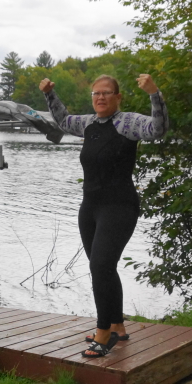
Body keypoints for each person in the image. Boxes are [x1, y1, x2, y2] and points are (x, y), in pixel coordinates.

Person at [39, 73, 167, 358]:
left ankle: (103, 333)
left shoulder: (128, 123)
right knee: (103, 268)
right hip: (90, 208)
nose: (100, 97)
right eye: (96, 93)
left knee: (100, 267)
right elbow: (63, 121)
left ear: (117, 97)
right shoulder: (89, 124)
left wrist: (154, 94)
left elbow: (158, 129)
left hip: (120, 207)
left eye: (107, 93)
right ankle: (118, 325)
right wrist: (50, 94)